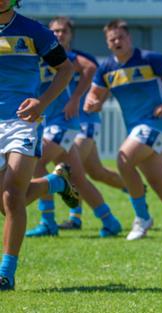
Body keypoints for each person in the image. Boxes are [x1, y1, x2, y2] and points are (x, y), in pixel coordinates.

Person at [84, 19, 162, 241]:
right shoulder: (106, 69)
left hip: (155, 123)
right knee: (158, 182)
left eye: (121, 37)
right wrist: (91, 103)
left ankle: (142, 217)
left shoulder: (150, 59)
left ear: (129, 38)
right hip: (136, 129)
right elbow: (94, 95)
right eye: (112, 39)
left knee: (123, 159)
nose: (117, 41)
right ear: (107, 43)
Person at [0, 0, 80, 290]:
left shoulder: (34, 31)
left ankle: (6, 274)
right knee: (5, 204)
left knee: (11, 197)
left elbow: (66, 69)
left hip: (23, 120)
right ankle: (55, 183)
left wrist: (42, 103)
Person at [26, 16, 122, 238]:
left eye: (63, 31)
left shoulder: (65, 56)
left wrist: (75, 99)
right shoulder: (38, 55)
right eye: (54, 32)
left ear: (70, 35)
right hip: (50, 123)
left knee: (36, 161)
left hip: (64, 123)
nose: (58, 35)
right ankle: (110, 221)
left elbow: (89, 68)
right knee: (78, 178)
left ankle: (48, 221)